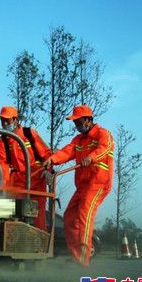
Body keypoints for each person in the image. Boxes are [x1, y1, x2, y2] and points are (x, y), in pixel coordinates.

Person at [43, 104, 114, 266]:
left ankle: (83, 257)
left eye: (79, 122)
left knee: (85, 213)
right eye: (75, 123)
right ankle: (76, 256)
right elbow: (67, 152)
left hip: (98, 182)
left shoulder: (103, 134)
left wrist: (92, 157)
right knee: (68, 217)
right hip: (82, 186)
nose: (77, 125)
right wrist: (52, 160)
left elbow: (105, 148)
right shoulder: (78, 140)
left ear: (89, 120)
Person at [0, 106, 52, 231]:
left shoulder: (29, 133)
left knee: (38, 214)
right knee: (8, 212)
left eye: (7, 120)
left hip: (37, 178)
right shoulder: (2, 141)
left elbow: (46, 154)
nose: (4, 123)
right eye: (2, 120)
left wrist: (49, 171)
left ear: (15, 120)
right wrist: (3, 189)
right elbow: (2, 167)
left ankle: (40, 245)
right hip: (17, 181)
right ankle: (9, 242)